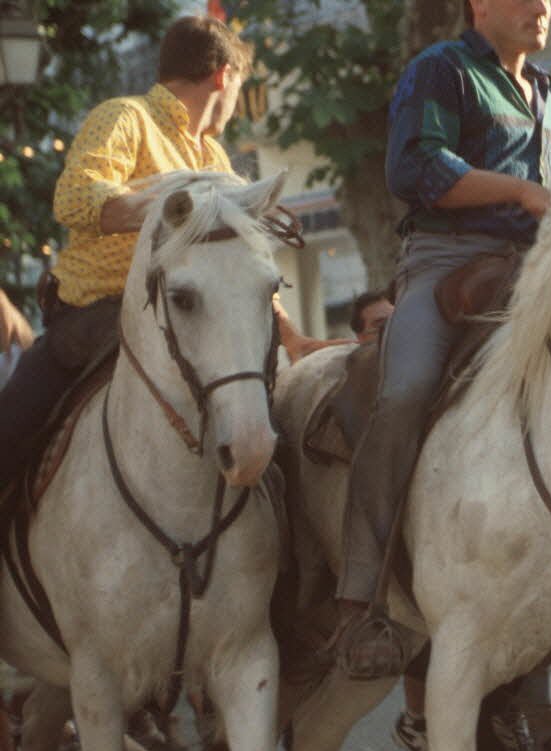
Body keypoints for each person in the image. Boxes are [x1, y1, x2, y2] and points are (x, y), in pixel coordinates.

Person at [335, 0, 551, 678]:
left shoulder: (542, 87)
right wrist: (520, 192)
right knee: (403, 394)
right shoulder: (442, 68)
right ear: (480, 5)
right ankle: (359, 596)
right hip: (444, 261)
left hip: (534, 267)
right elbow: (416, 170)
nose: (541, 6)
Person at [0, 16, 316, 492]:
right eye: (235, 87)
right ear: (224, 76)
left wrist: (292, 338)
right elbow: (75, 198)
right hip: (94, 320)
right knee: (7, 436)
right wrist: (165, 210)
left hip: (192, 319)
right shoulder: (125, 116)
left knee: (280, 432)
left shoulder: (213, 159)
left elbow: (233, 272)